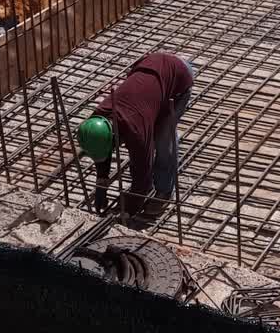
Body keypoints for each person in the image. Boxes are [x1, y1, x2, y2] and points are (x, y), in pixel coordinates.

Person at [77, 52, 195, 218]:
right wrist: (101, 185)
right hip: (153, 65)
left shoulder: (136, 130)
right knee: (151, 119)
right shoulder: (97, 120)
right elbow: (101, 152)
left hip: (179, 76)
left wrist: (131, 206)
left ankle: (164, 191)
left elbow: (142, 172)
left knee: (163, 138)